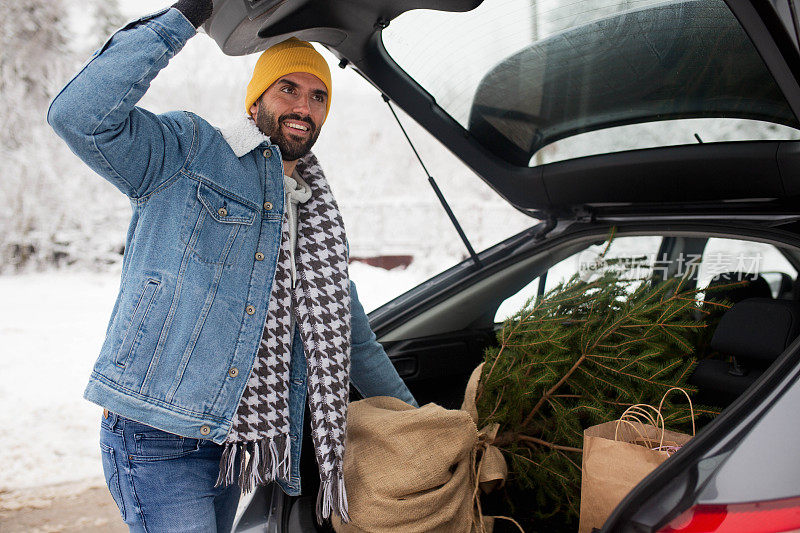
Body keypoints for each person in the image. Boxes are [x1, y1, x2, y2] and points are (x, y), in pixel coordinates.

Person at [47, 1, 417, 531]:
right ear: (256, 100)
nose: (304, 106)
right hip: (158, 431)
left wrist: (417, 420)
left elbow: (350, 337)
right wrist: (187, 16)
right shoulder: (189, 152)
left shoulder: (311, 211)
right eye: (287, 88)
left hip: (234, 442)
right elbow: (78, 117)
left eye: (318, 96)